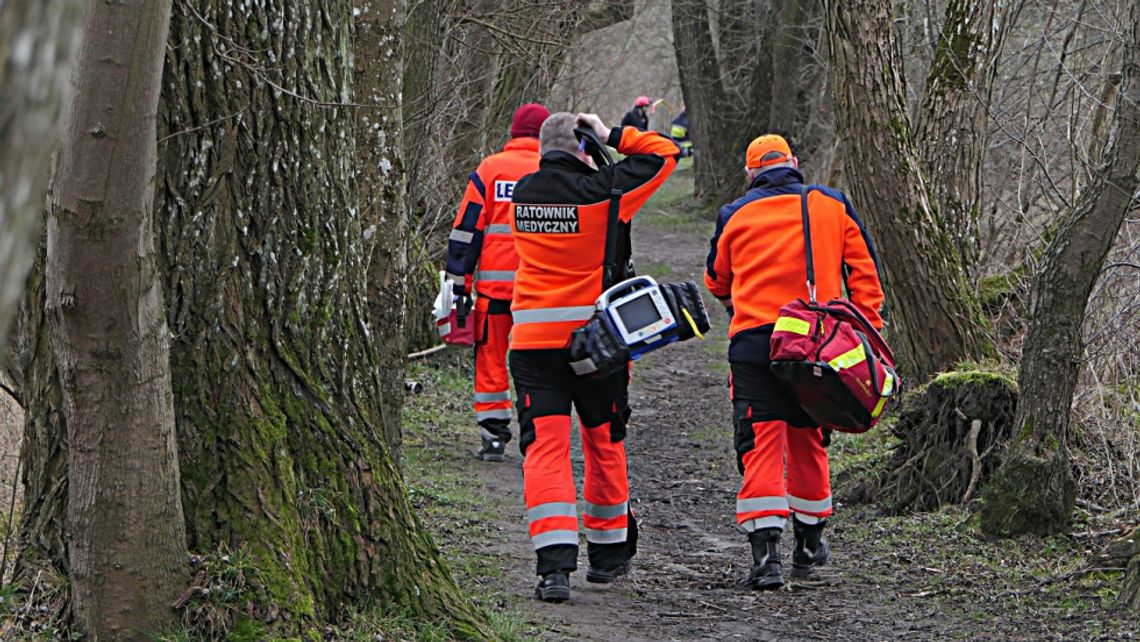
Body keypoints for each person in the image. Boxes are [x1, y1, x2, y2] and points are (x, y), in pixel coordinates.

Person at [509, 111, 680, 602]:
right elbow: (665, 154)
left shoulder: (522, 195)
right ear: (584, 144)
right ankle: (607, 558)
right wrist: (612, 136)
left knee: (545, 449)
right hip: (598, 344)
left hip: (533, 345)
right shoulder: (606, 192)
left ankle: (554, 568)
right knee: (604, 442)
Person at [703, 134, 885, 590]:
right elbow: (865, 275)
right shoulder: (831, 205)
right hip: (819, 345)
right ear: (794, 164)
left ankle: (765, 557)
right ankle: (808, 544)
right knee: (809, 437)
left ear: (750, 174)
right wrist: (865, 333)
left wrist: (739, 302)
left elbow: (716, 279)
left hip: (755, 343)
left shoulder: (734, 214)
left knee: (761, 441)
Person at [445, 103, 549, 461]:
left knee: (490, 363)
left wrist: (459, 284)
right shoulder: (554, 171)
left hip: (493, 294)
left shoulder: (490, 170)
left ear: (513, 132)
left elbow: (466, 232)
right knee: (536, 366)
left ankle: (493, 436)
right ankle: (537, 432)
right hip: (540, 297)